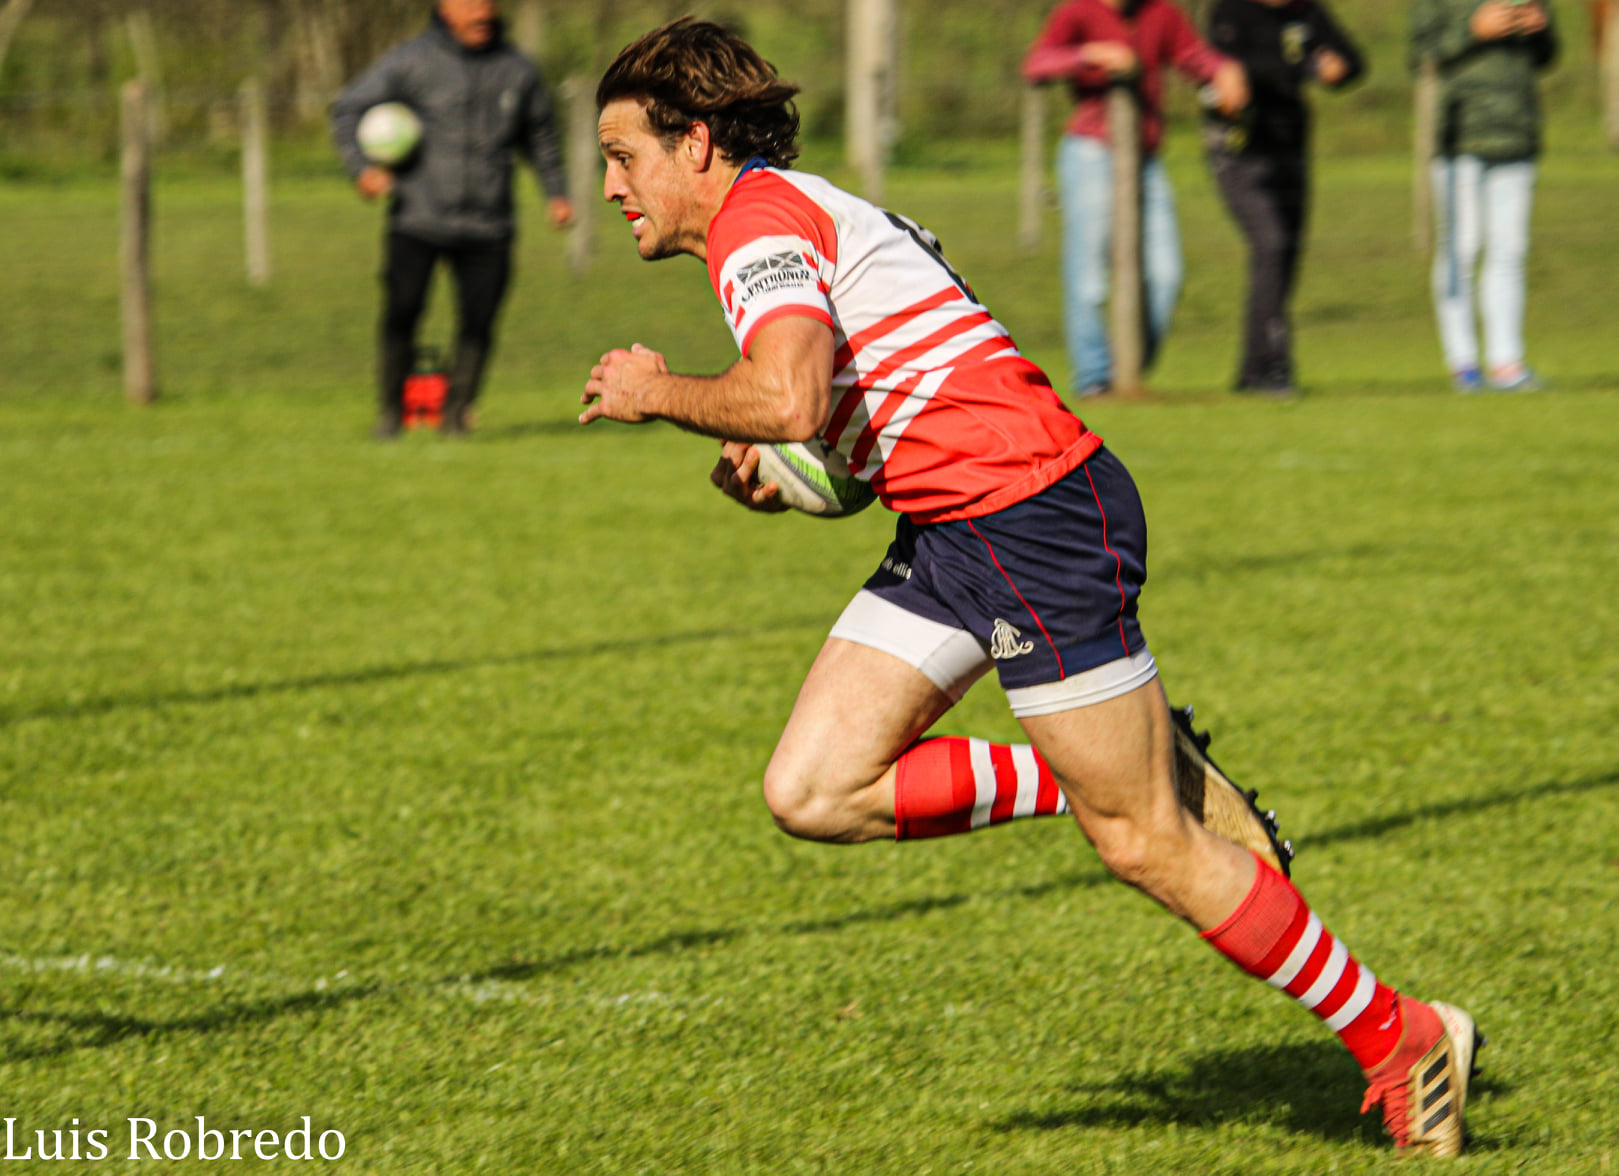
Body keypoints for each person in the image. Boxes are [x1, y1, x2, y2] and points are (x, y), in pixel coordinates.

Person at [581, 17, 1479, 1158]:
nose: (612, 186)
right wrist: (793, 469)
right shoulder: (785, 213)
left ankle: (1398, 1037)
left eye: (623, 156)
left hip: (1030, 515)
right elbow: (864, 409)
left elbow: (793, 400)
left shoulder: (758, 219)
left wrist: (660, 393)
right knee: (813, 788)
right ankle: (1109, 775)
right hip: (959, 525)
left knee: (1146, 845)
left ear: (694, 142)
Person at [331, 0, 574, 438]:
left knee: (479, 321)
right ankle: (389, 413)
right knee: (402, 312)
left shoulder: (518, 69)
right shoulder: (411, 61)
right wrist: (361, 168)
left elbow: (540, 137)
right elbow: (348, 107)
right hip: (417, 218)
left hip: (489, 224)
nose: (481, 13)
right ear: (445, 8)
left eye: (487, 4)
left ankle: (457, 415)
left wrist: (556, 193)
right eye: (469, 4)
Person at [1022, 0, 1248, 397]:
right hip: (1090, 151)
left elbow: (1192, 56)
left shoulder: (1160, 12)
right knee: (1089, 276)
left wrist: (1223, 72)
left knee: (1166, 274)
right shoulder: (1077, 10)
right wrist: (1090, 54)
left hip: (1146, 159)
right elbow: (1037, 63)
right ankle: (1094, 377)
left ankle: (1129, 367)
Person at [1204, 0, 1364, 396]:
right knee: (1271, 244)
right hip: (1240, 149)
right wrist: (1307, 68)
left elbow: (1354, 60)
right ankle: (1270, 368)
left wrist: (1337, 69)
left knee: (1285, 254)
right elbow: (1240, 66)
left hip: (1290, 149)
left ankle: (1254, 368)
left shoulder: (1306, 12)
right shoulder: (1229, 12)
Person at [1412, 0, 1557, 392]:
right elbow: (1420, 54)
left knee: (1510, 250)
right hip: (1458, 134)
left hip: (1517, 132)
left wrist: (1540, 28)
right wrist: (1472, 31)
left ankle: (1506, 362)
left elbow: (1546, 57)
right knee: (1461, 248)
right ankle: (1464, 364)